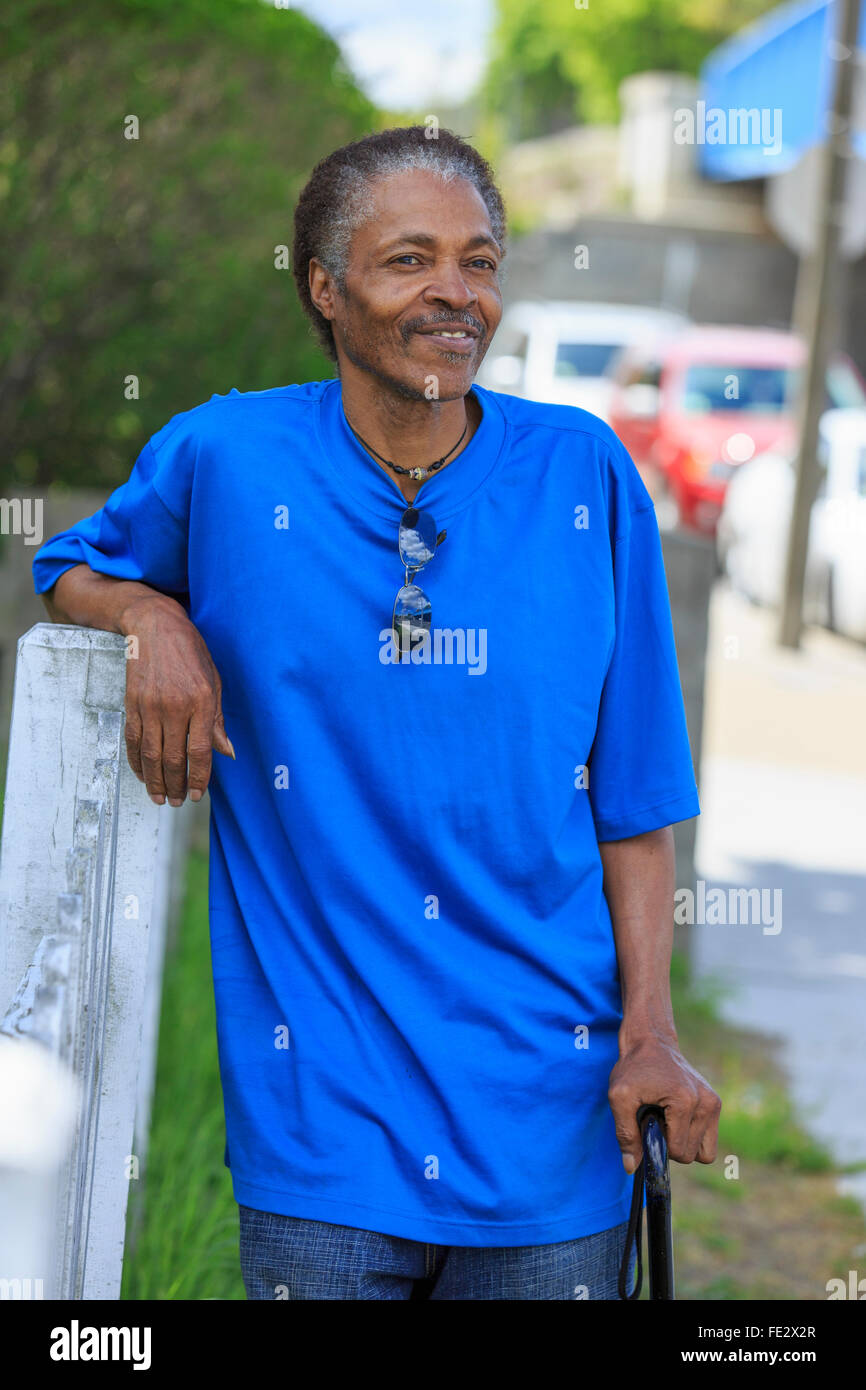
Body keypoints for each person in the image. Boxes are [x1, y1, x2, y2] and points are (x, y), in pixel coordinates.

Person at [32, 125, 720, 1301]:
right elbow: (68, 564)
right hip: (320, 1130)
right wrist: (155, 621)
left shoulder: (584, 475)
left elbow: (635, 804)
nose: (454, 292)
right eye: (409, 260)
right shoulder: (225, 461)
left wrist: (648, 1031)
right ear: (324, 287)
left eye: (478, 261)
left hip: (551, 1125)